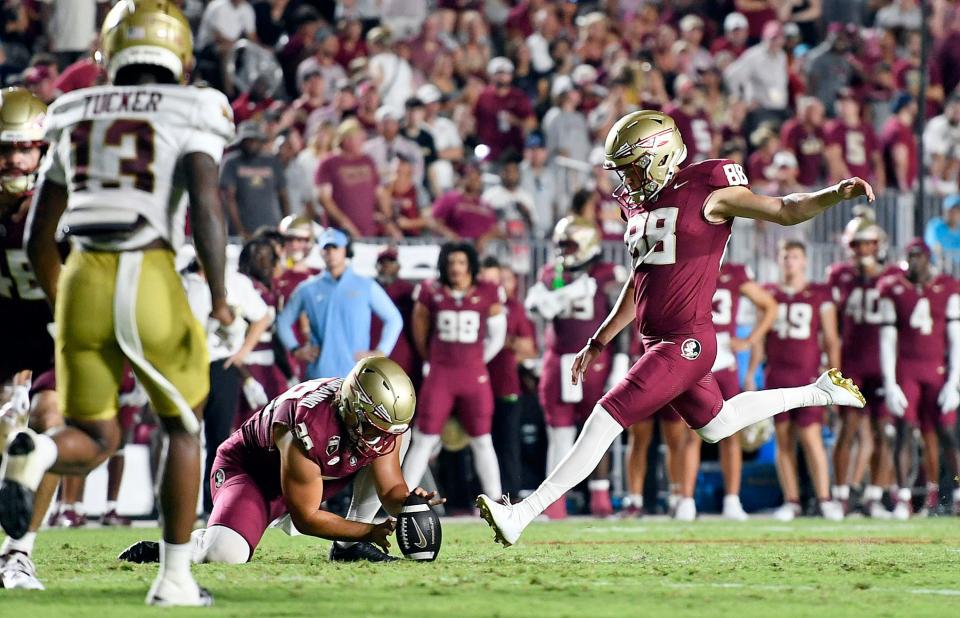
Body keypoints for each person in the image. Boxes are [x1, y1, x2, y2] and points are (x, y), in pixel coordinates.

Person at [476, 109, 872, 547]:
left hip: (685, 340)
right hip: (657, 339)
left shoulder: (709, 186)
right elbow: (640, 278)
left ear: (657, 155)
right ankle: (818, 391)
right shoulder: (637, 202)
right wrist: (601, 338)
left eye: (629, 165)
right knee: (718, 425)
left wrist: (834, 194)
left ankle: (523, 513)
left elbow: (783, 209)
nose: (625, 179)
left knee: (605, 417)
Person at [2, 1, 235, 605]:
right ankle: (176, 579)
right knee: (183, 426)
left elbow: (36, 237)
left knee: (93, 433)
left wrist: (68, 304)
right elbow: (207, 206)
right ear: (180, 56)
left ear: (109, 55)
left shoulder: (72, 110)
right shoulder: (195, 104)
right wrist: (221, 298)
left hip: (79, 274)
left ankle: (39, 448)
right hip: (147, 264)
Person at [119, 358, 443, 565]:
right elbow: (306, 517)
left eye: (388, 428)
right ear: (353, 407)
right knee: (225, 555)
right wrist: (368, 531)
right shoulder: (306, 424)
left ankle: (347, 549)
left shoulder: (379, 423)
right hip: (252, 474)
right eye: (374, 427)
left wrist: (410, 504)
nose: (380, 437)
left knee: (396, 447)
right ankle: (176, 547)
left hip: (315, 472)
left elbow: (389, 487)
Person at [524, 217, 628, 518]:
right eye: (561, 246)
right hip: (559, 361)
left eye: (570, 245)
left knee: (600, 430)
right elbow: (537, 307)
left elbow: (621, 321)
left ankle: (600, 495)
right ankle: (554, 501)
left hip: (596, 361)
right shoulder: (552, 274)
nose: (564, 252)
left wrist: (620, 360)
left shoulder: (608, 275)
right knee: (559, 434)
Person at [402, 242, 507, 502]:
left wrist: (478, 360)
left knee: (482, 439)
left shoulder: (488, 291)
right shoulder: (431, 290)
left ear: (471, 265)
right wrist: (433, 359)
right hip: (441, 373)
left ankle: (495, 501)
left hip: (473, 374)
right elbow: (419, 329)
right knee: (424, 439)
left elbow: (498, 335)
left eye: (461, 262)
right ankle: (401, 500)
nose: (456, 269)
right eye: (451, 263)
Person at [183, 247, 273, 515]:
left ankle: (212, 506)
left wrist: (242, 352)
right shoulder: (183, 280)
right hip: (187, 365)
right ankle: (182, 505)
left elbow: (262, 316)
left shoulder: (235, 281)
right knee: (184, 435)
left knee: (218, 437)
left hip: (221, 364)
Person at [762, 240, 844, 522]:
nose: (789, 262)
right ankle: (792, 500)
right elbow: (761, 337)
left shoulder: (819, 294)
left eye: (794, 257)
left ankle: (824, 498)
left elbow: (831, 339)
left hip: (808, 376)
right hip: (777, 374)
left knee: (811, 437)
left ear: (805, 261)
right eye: (785, 256)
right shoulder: (769, 294)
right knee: (783, 440)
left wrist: (835, 378)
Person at [689, 262, 777, 522]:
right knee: (690, 433)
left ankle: (731, 499)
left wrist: (749, 340)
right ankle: (684, 499)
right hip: (694, 355)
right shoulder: (688, 265)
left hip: (725, 358)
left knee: (730, 431)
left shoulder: (734, 272)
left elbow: (769, 305)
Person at [878, 239, 960, 518]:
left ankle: (957, 493)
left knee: (948, 433)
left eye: (918, 257)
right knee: (903, 430)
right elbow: (887, 339)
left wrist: (954, 381)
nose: (913, 263)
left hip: (937, 370)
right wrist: (890, 382)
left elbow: (956, 338)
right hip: (907, 370)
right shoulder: (893, 288)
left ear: (927, 258)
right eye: (909, 257)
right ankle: (903, 497)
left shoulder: (947, 287)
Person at [827, 212, 897, 518]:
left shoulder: (892, 276)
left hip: (882, 363)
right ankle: (841, 495)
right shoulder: (839, 275)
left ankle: (874, 496)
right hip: (853, 360)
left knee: (885, 432)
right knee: (848, 429)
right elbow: (831, 324)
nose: (862, 250)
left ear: (878, 244)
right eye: (857, 245)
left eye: (867, 244)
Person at [277, 228, 402, 379]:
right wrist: (296, 349)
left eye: (335, 247)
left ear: (345, 250)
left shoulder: (365, 285)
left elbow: (394, 319)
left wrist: (381, 352)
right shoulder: (308, 289)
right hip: (319, 376)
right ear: (321, 252)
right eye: (326, 248)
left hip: (356, 376)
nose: (331, 252)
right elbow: (282, 321)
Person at [0, 88, 53, 386]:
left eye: (24, 149)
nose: (13, 160)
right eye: (3, 150)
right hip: (7, 333)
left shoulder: (58, 207)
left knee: (49, 413)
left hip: (53, 335)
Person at [479, 256, 537, 501]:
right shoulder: (478, 303)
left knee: (508, 442)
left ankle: (509, 493)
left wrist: (506, 340)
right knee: (477, 441)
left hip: (505, 384)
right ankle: (475, 494)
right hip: (478, 383)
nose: (501, 284)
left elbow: (530, 349)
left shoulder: (515, 308)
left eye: (506, 280)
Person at [220, 120, 291, 238]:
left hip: (272, 227)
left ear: (260, 140)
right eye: (247, 140)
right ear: (240, 141)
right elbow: (228, 198)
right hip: (241, 229)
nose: (251, 143)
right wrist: (240, 230)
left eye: (254, 139)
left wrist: (285, 225)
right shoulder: (231, 163)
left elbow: (283, 196)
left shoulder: (272, 162)